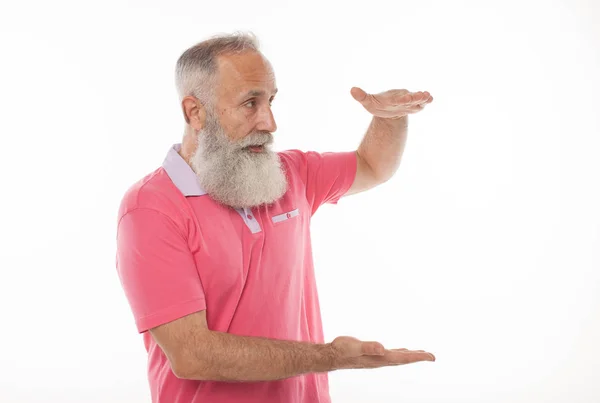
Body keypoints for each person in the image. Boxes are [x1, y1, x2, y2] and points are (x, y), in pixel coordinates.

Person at [115, 32, 435, 403]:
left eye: (270, 101)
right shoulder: (149, 210)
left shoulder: (289, 173)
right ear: (195, 112)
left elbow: (372, 165)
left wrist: (389, 119)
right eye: (250, 103)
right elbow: (192, 355)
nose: (269, 122)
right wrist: (330, 358)